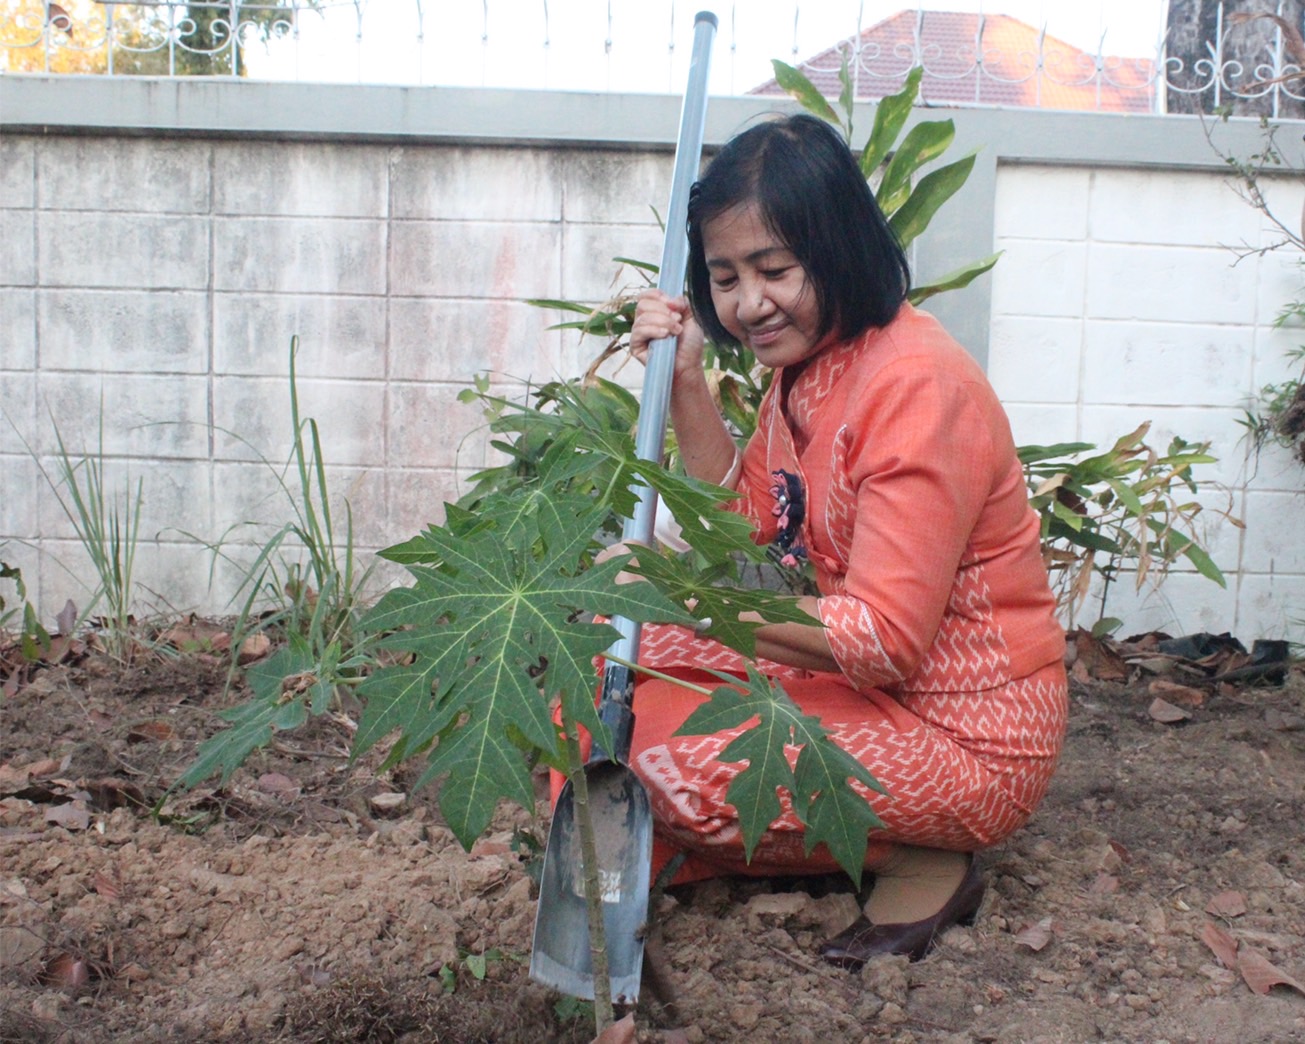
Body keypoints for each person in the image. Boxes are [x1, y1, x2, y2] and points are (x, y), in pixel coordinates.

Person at [616, 113, 1068, 968]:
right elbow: (749, 528)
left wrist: (683, 595)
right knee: (618, 656)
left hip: (962, 736)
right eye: (724, 277)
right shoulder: (805, 369)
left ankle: (918, 848)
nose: (749, 303)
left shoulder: (914, 388)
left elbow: (885, 639)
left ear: (838, 246)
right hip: (862, 690)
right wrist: (683, 384)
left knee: (661, 768)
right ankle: (756, 830)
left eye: (774, 269)